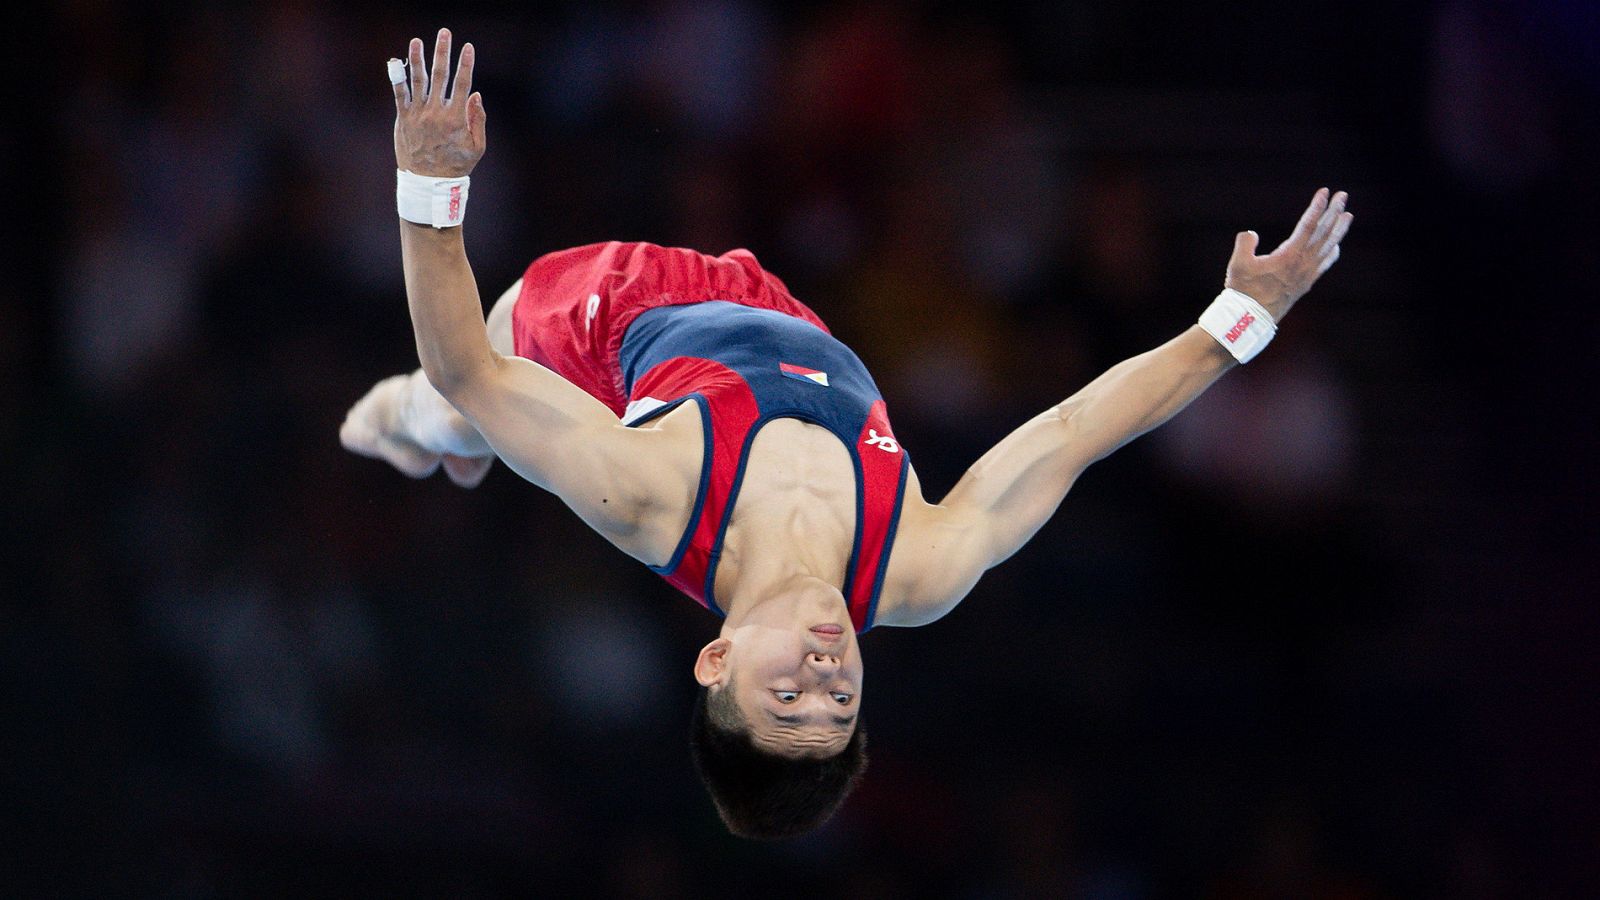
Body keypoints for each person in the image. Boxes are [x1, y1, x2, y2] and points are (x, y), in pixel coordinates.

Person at [341, 30, 1354, 839]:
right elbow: (1073, 432)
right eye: (838, 703)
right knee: (474, 418)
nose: (823, 676)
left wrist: (429, 186)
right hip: (781, 319)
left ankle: (396, 429)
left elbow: (472, 363)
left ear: (717, 659)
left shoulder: (651, 501)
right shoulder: (917, 566)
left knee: (447, 396)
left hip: (617, 321)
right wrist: (1235, 325)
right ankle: (452, 446)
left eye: (786, 695)